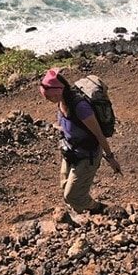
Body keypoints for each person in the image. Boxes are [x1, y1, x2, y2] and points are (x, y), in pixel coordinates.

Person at [40, 69, 121, 214]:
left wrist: (111, 158)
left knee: (71, 196)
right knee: (64, 186)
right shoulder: (61, 102)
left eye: (47, 96)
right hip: (71, 151)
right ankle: (81, 206)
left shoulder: (80, 107)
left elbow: (99, 135)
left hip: (87, 154)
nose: (46, 99)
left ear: (59, 91)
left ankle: (98, 208)